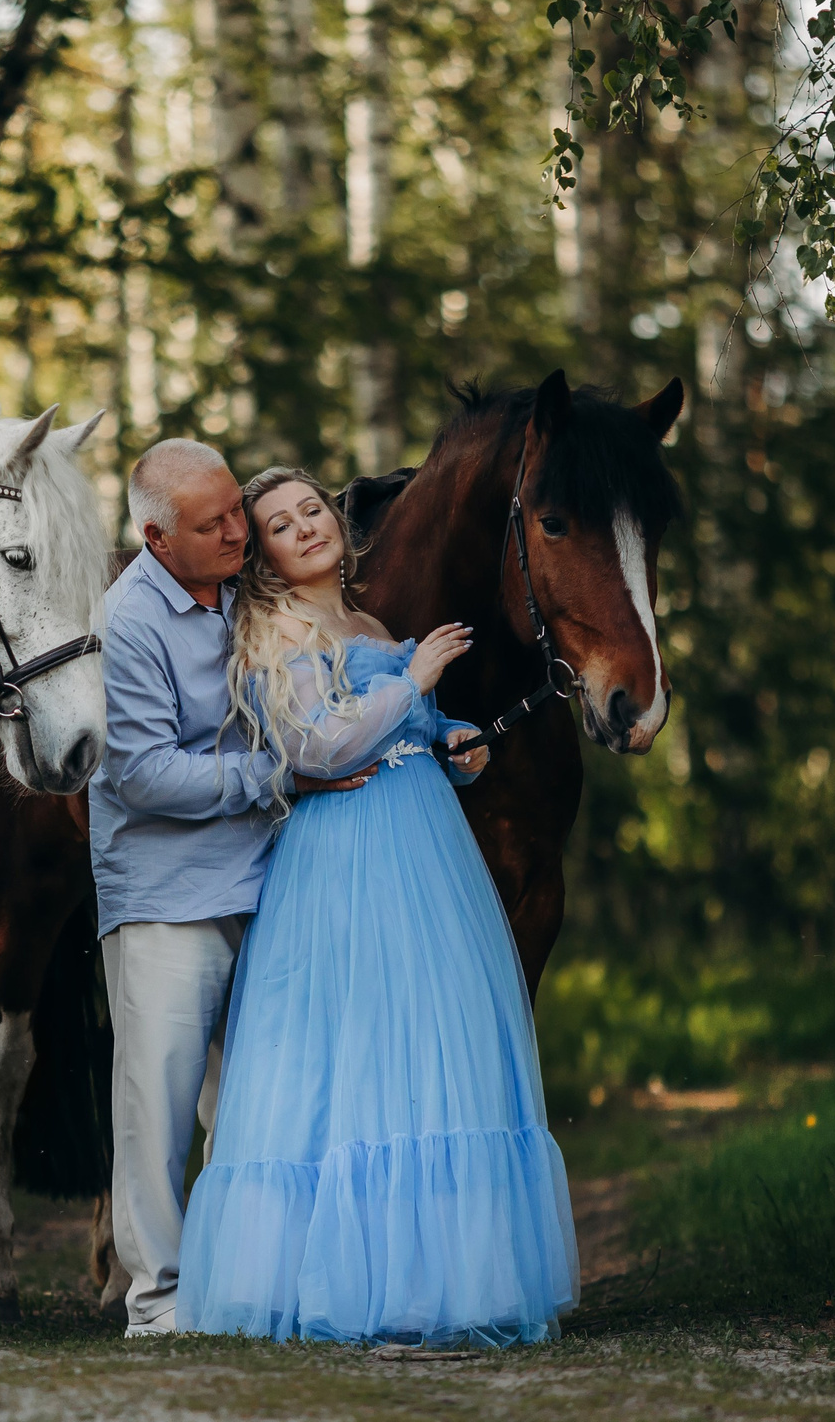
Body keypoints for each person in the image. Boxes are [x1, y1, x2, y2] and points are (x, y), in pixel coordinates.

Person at [176, 466, 581, 1348]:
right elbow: (315, 744)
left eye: (312, 509)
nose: (306, 527)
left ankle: (433, 1278)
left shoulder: (365, 624)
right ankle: (345, 1284)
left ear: (336, 518)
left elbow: (395, 727)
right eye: (280, 524)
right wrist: (418, 678)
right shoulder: (270, 626)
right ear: (266, 556)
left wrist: (449, 738)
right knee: (350, 1046)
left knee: (429, 1034)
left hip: (421, 839)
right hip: (340, 854)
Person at [90, 440, 368, 1338]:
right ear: (156, 538)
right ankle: (160, 1301)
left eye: (235, 513)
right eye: (211, 525)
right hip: (166, 897)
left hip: (272, 881)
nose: (235, 533)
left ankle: (252, 1284)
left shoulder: (248, 591)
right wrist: (275, 775)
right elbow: (140, 775)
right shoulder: (128, 620)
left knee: (260, 1099)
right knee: (158, 1106)